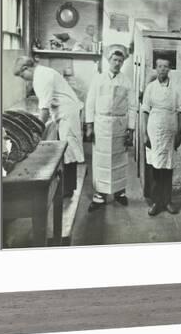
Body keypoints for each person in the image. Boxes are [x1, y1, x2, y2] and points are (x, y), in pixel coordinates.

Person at [13, 56, 84, 197]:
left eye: (22, 75)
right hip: (63, 112)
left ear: (26, 68)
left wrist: (35, 131)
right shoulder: (43, 72)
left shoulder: (41, 77)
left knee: (69, 150)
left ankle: (67, 190)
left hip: (66, 114)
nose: (24, 79)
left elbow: (44, 109)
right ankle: (68, 188)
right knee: (68, 150)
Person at [85, 44, 136, 212]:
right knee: (101, 160)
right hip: (101, 125)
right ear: (109, 60)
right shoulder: (98, 79)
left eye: (120, 61)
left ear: (123, 63)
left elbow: (132, 106)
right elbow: (90, 103)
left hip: (120, 125)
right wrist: (89, 126)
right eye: (115, 60)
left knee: (120, 160)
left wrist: (131, 129)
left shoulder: (126, 81)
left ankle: (120, 193)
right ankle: (99, 196)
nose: (117, 63)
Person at [142, 58, 181, 216]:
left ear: (169, 69)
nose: (162, 69)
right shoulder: (150, 88)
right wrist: (145, 134)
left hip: (170, 131)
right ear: (156, 68)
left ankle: (167, 201)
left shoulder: (176, 88)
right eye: (159, 66)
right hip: (154, 130)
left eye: (165, 67)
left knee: (168, 167)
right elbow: (145, 111)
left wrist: (179, 133)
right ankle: (155, 202)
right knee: (154, 167)